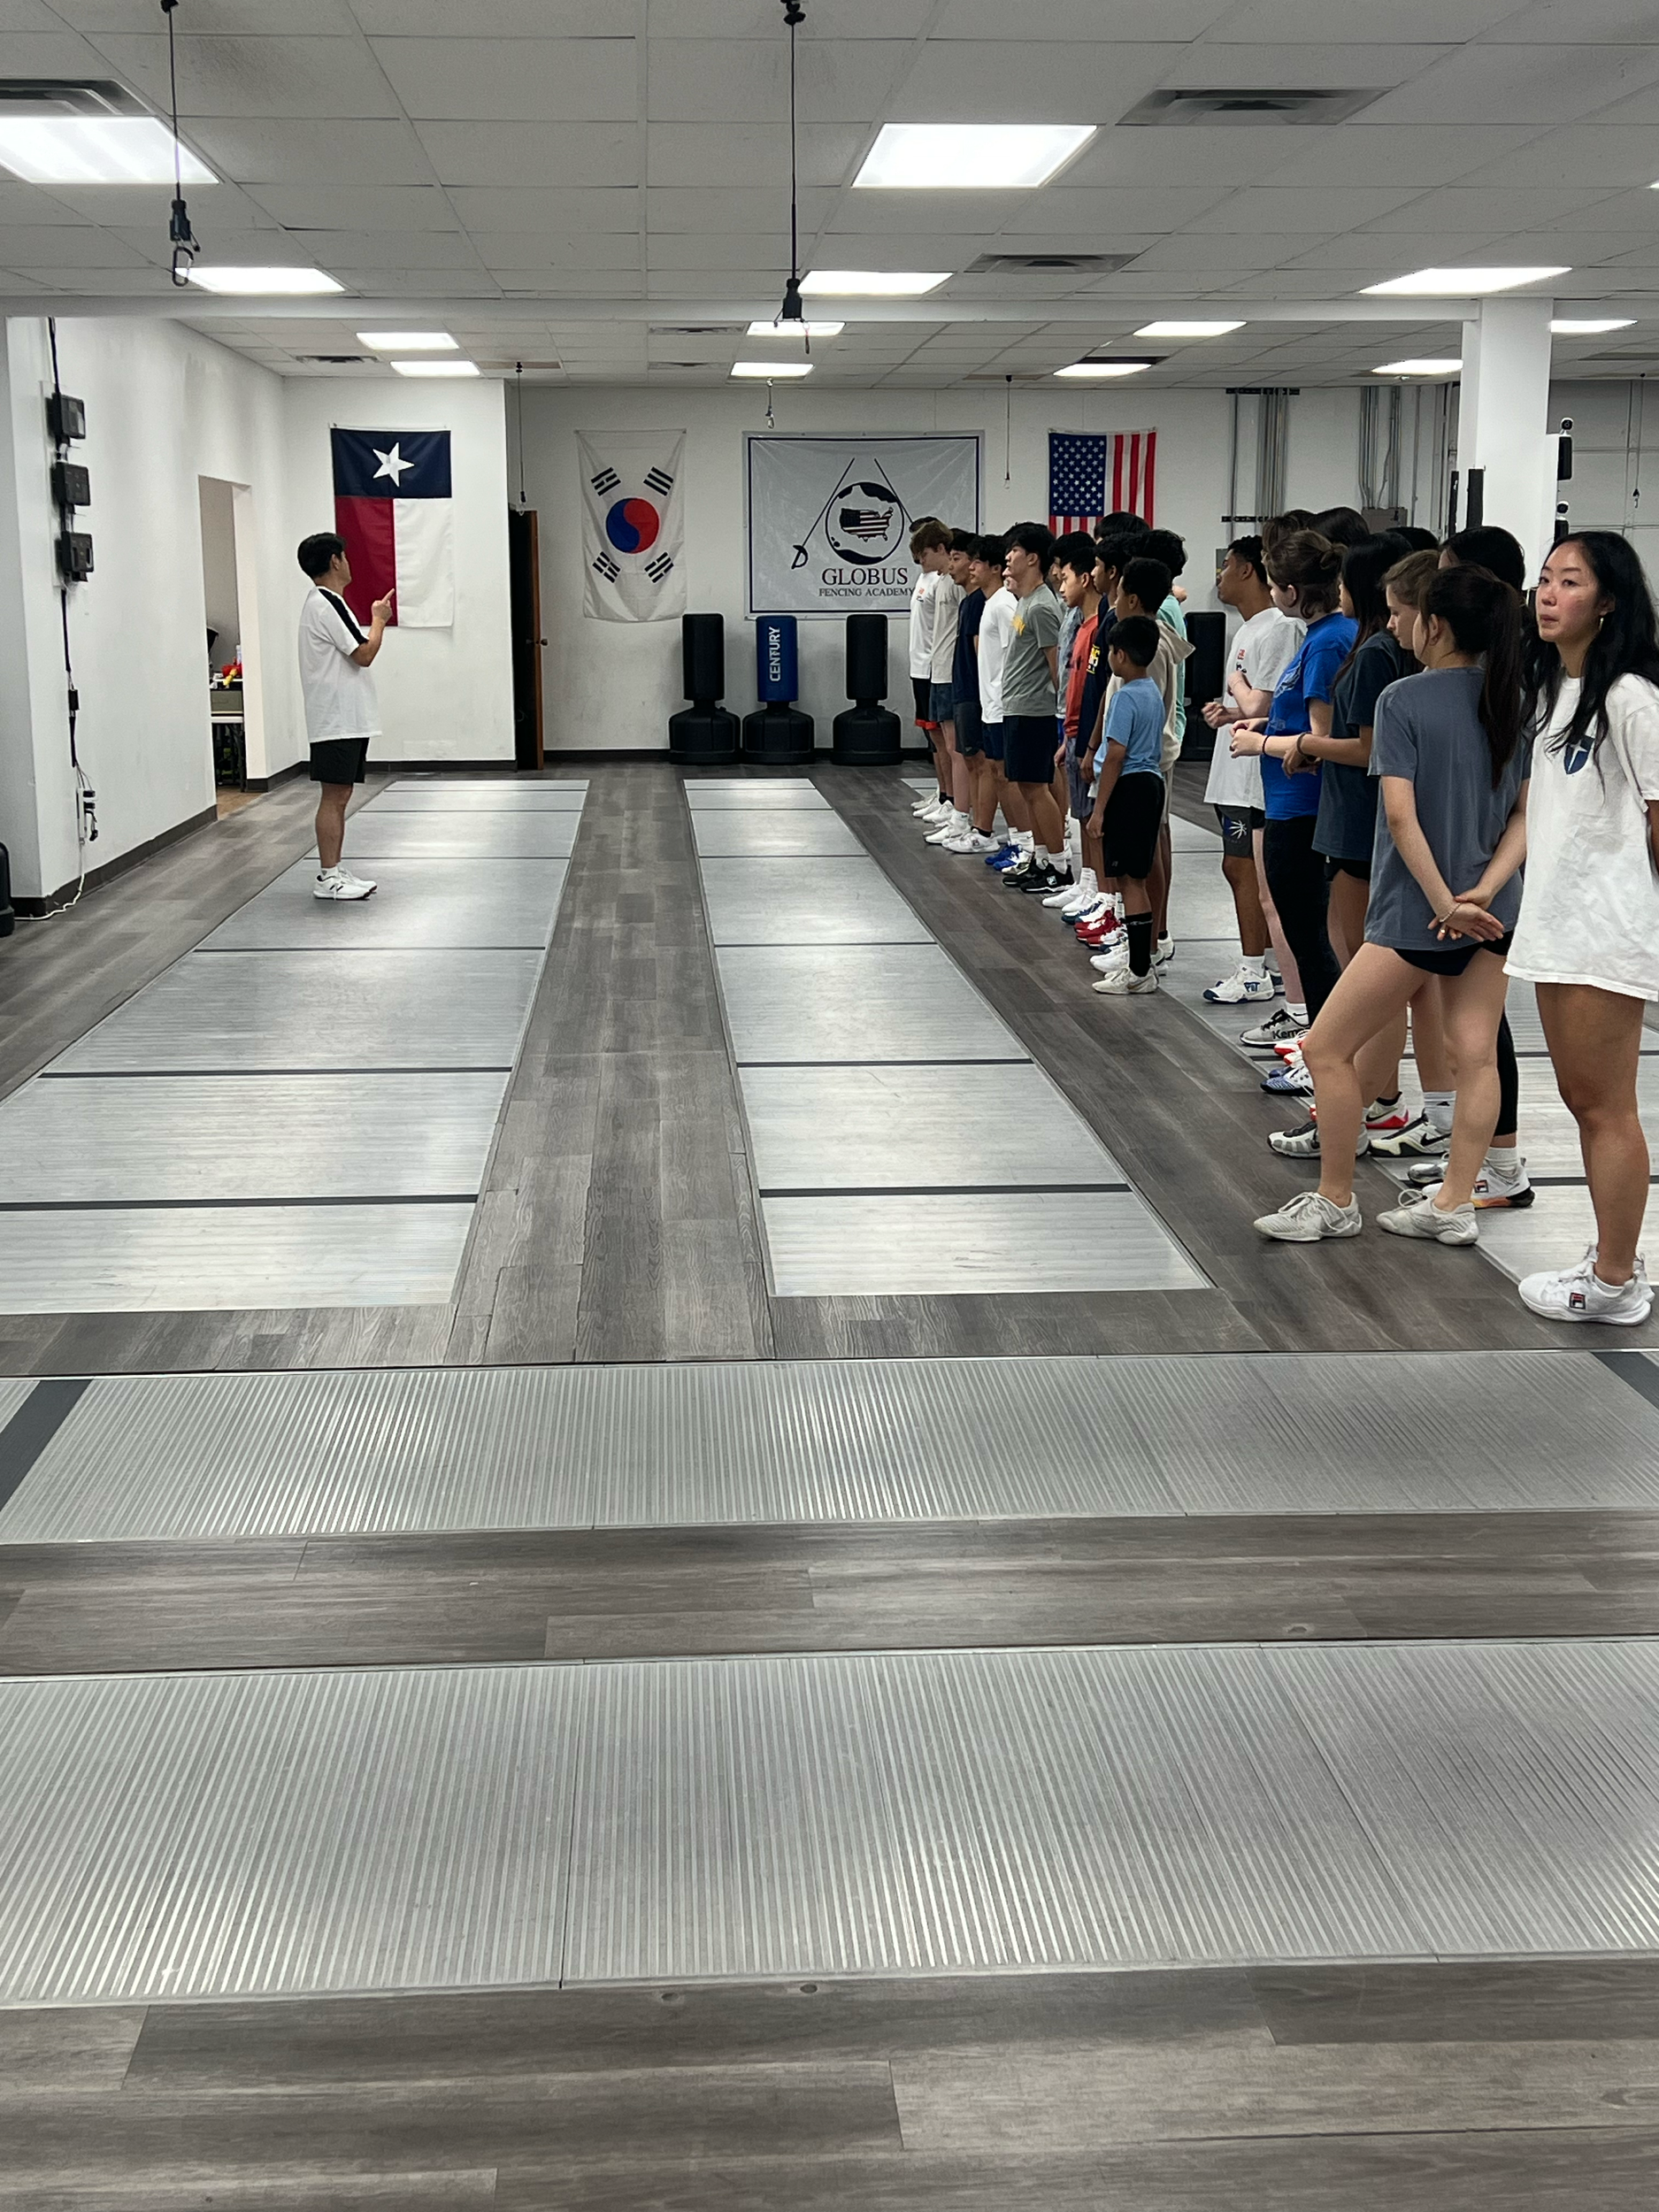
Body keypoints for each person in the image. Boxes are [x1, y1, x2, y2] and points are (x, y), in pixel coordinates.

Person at [1254, 565, 1529, 1245]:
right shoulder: (1515, 698)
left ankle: (1335, 1198)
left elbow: (1401, 821)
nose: (1397, 625)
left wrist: (1443, 903)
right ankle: (1453, 1204)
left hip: (1417, 909)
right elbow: (1526, 815)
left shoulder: (1402, 698)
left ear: (1435, 625)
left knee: (1324, 1048)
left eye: (1406, 615)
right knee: (1476, 1055)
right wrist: (1483, 891)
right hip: (1495, 908)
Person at [1506, 531, 1659, 1325]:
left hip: (1606, 930)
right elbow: (1540, 814)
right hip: (1558, 924)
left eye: (1569, 582)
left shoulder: (1632, 698)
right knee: (1580, 1099)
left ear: (1607, 601)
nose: (1547, 594)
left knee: (1606, 1108)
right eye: (1543, 579)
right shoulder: (1554, 691)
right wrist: (1486, 887)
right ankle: (1611, 1263)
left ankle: (1615, 1282)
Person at [1229, 531, 1354, 1091]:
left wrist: (1264, 744)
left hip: (1300, 809)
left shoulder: (1328, 641)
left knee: (1310, 942)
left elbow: (1321, 741)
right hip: (1289, 803)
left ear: (1292, 589)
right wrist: (1270, 724)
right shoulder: (1318, 636)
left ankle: (1323, 1055)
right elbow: (1303, 725)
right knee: (1309, 938)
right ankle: (1323, 1049)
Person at [1201, 535, 1302, 1007]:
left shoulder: (1280, 628)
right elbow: (1252, 707)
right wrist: (1227, 711)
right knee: (1239, 869)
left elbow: (1263, 701)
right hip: (1234, 766)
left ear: (1247, 571)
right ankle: (1265, 965)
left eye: (1225, 566)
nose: (1218, 576)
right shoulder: (1247, 628)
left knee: (1246, 870)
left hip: (1255, 776)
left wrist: (1238, 689)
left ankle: (1255, 971)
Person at [296, 532, 389, 901]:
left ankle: (333, 868)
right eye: (345, 557)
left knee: (341, 793)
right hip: (335, 718)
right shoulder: (325, 603)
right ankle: (327, 877)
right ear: (335, 561)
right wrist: (378, 619)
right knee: (334, 795)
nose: (349, 562)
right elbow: (363, 654)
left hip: (342, 717)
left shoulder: (327, 603)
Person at [1087, 615, 1166, 996]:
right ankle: (1141, 960)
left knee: (1130, 881)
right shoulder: (1152, 691)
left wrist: (1099, 810)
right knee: (1135, 876)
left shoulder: (1123, 697)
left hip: (1129, 788)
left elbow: (1115, 753)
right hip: (1151, 785)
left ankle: (1138, 971)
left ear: (1119, 654)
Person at [998, 522, 1072, 893]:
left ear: (1032, 558)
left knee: (1037, 787)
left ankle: (1059, 866)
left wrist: (1064, 719)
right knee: (1027, 787)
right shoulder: (1024, 603)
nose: (1007, 559)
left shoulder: (1043, 606)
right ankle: (1041, 857)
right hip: (1017, 706)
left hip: (1035, 711)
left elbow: (1056, 665)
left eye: (1013, 552)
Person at [1048, 535, 1103, 910]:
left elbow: (1096, 691)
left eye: (1065, 576)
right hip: (1072, 731)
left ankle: (1101, 893)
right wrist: (1069, 737)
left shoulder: (1099, 627)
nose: (1060, 582)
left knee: (1093, 820)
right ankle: (1087, 883)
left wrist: (1087, 743)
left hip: (1088, 735)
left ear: (1086, 578)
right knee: (1080, 815)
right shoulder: (1081, 624)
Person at [941, 536, 995, 855]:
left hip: (976, 694)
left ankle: (983, 829)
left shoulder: (981, 604)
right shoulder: (968, 602)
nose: (966, 568)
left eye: (970, 561)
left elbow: (982, 654)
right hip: (963, 688)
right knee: (974, 761)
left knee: (981, 761)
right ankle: (975, 823)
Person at [974, 535, 1025, 871]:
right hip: (991, 704)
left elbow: (1017, 651)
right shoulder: (993, 602)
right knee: (997, 772)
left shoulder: (1006, 603)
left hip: (1005, 704)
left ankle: (1025, 843)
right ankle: (1018, 840)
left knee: (1008, 775)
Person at [920, 529, 967, 846]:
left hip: (952, 670)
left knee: (956, 748)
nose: (949, 564)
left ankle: (961, 813)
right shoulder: (940, 583)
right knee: (946, 744)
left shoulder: (959, 588)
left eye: (955, 558)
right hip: (938, 668)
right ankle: (951, 802)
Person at [908, 519, 954, 821]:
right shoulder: (924, 578)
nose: (919, 562)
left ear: (940, 548)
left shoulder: (942, 581)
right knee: (932, 737)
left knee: (942, 738)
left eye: (923, 554)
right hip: (919, 665)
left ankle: (951, 798)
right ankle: (941, 793)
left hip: (933, 666)